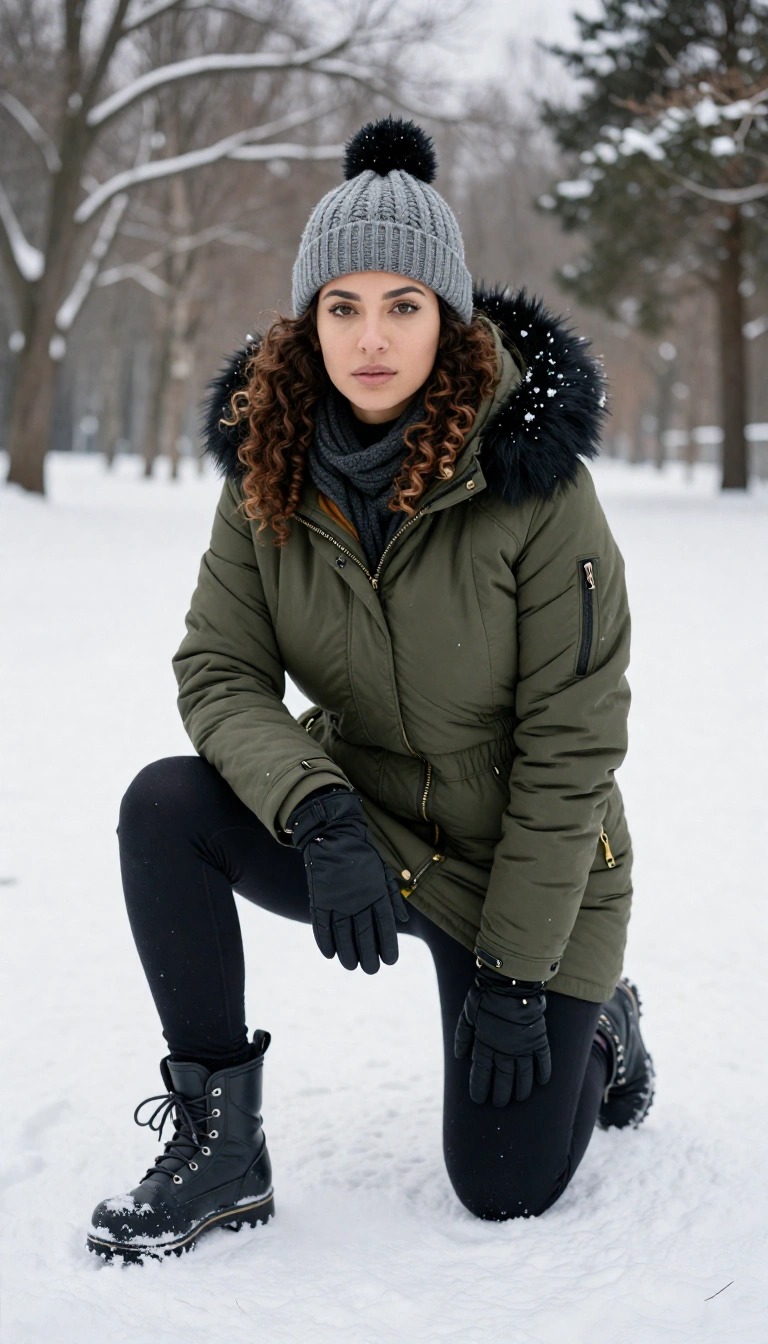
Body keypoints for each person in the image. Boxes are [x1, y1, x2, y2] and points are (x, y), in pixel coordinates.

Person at [86, 117, 655, 1263]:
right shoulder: (268, 471)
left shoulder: (537, 489)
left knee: (503, 1188)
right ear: (311, 321)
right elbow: (220, 669)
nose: (372, 337)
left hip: (528, 871)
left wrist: (515, 972)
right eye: (343, 306)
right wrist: (317, 807)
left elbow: (573, 745)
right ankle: (221, 1147)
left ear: (449, 317)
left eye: (404, 305)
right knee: (165, 807)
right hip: (366, 832)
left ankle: (606, 1033)